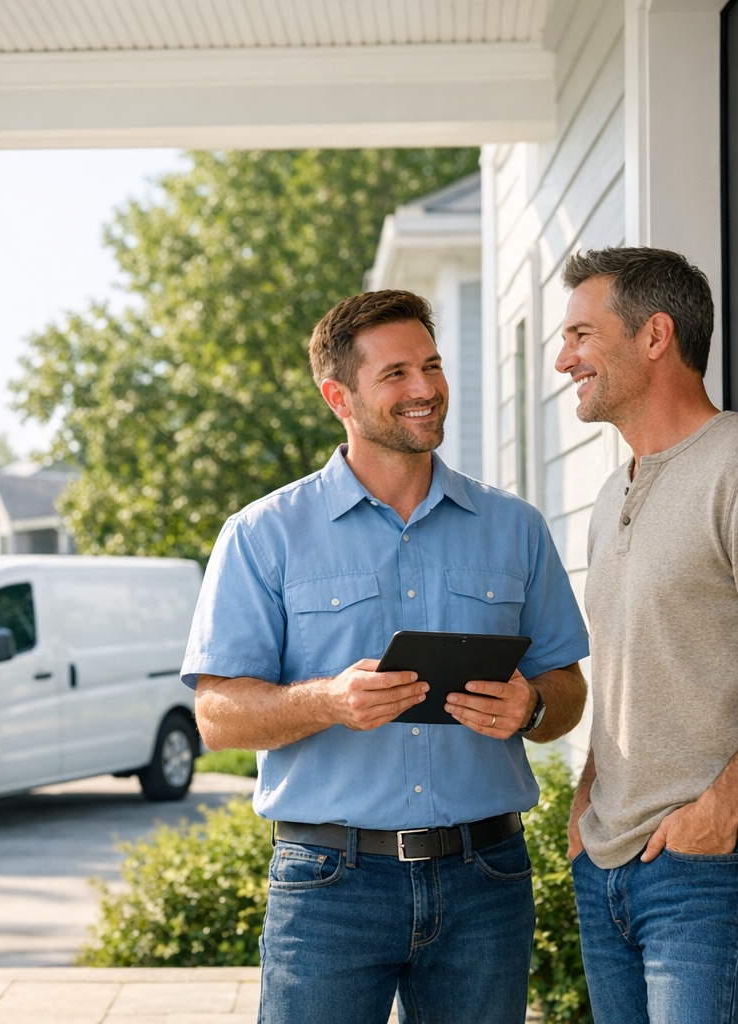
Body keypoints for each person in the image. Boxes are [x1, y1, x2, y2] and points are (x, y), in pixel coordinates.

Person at [182, 289, 590, 1024]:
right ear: (339, 395)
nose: (426, 389)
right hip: (329, 884)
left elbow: (569, 690)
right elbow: (216, 716)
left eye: (431, 367)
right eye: (396, 374)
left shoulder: (514, 528)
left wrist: (531, 707)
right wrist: (327, 702)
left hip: (486, 878)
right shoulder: (262, 534)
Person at [554, 247, 738, 1024]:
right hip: (609, 862)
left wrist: (717, 814)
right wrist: (588, 798)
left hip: (713, 869)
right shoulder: (606, 494)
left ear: (655, 336)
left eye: (583, 335)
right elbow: (631, 667)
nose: (564, 359)